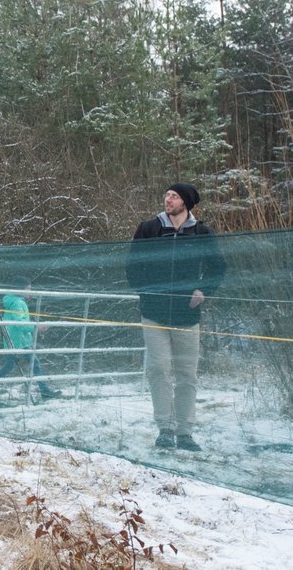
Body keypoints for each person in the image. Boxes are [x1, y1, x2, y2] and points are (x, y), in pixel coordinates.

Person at [126, 182, 225, 452]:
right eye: (167, 195)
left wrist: (205, 290)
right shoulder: (148, 229)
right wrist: (147, 293)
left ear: (186, 203)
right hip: (154, 315)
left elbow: (219, 267)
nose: (167, 199)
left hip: (188, 316)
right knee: (158, 370)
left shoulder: (202, 232)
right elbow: (132, 266)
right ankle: (165, 430)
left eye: (174, 196)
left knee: (186, 375)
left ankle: (185, 433)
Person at [0, 276, 60, 404]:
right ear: (20, 289)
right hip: (17, 341)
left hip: (16, 340)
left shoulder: (14, 301)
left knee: (29, 365)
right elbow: (19, 323)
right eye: (28, 289)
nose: (30, 292)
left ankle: (44, 390)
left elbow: (19, 322)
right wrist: (36, 327)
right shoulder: (18, 303)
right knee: (12, 366)